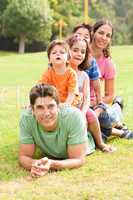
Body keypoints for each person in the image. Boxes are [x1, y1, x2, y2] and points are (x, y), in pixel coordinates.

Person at [19, 84, 95, 177]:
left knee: (106, 126)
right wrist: (37, 164)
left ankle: (116, 106)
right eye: (40, 107)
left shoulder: (74, 117)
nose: (46, 113)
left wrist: (51, 164)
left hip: (88, 135)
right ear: (32, 109)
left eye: (51, 106)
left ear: (58, 106)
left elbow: (78, 159)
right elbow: (24, 157)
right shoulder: (26, 118)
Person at [67, 35, 115, 152]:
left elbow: (87, 98)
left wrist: (83, 112)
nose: (79, 54)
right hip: (64, 108)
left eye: (83, 52)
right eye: (75, 50)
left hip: (79, 109)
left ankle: (100, 143)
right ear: (67, 51)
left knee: (92, 115)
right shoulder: (62, 72)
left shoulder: (84, 76)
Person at [91, 19, 133, 139]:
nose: (104, 37)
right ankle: (118, 120)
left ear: (110, 40)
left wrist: (94, 103)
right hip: (78, 102)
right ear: (93, 32)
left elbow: (109, 95)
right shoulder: (80, 53)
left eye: (108, 35)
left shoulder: (108, 63)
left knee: (101, 119)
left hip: (96, 104)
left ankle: (117, 107)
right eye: (101, 33)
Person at [38, 40, 79, 106]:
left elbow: (71, 94)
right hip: (53, 105)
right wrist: (32, 103)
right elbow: (39, 89)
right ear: (49, 60)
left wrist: (66, 105)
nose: (58, 54)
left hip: (71, 105)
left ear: (68, 59)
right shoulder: (47, 73)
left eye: (62, 52)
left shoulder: (71, 74)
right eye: (54, 53)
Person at [72, 23, 102, 107]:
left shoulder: (91, 61)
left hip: (86, 101)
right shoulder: (64, 58)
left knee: (103, 114)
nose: (81, 38)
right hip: (70, 101)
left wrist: (100, 102)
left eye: (86, 36)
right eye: (78, 35)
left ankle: (116, 107)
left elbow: (97, 84)